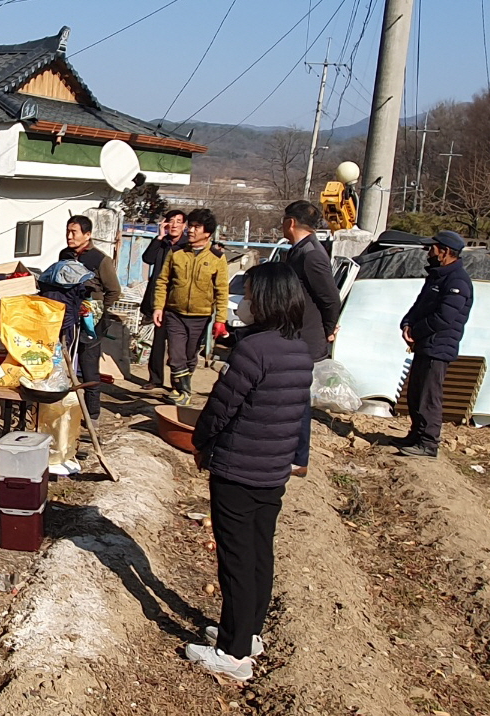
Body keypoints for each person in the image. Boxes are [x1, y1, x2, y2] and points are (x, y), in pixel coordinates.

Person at [185, 262, 314, 682]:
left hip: (238, 469)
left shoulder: (253, 350)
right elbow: (300, 415)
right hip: (272, 471)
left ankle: (234, 653)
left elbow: (221, 407)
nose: (247, 302)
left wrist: (201, 442)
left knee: (236, 560)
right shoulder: (298, 349)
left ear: (269, 300)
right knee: (260, 552)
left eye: (253, 294)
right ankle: (248, 631)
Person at [394, 230, 474, 457]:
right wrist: (407, 323)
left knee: (429, 396)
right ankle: (416, 434)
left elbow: (444, 317)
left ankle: (429, 443)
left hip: (438, 346)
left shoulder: (457, 281)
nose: (429, 252)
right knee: (416, 393)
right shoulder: (437, 277)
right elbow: (420, 305)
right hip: (425, 344)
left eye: (433, 248)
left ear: (445, 252)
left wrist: (417, 331)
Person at [282, 200, 341, 477]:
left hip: (307, 336)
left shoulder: (312, 255)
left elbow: (330, 298)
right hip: (295, 332)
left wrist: (329, 329)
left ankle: (298, 457)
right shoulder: (299, 251)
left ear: (291, 222)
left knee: (298, 397)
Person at [151, 208, 229, 407]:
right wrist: (158, 307)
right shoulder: (176, 253)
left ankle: (180, 390)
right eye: (191, 226)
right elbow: (162, 281)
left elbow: (222, 290)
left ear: (207, 233)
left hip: (201, 316)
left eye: (196, 227)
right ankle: (185, 391)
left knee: (190, 356)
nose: (191, 230)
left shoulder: (217, 257)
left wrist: (221, 319)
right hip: (175, 313)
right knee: (176, 356)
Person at [60, 215, 121, 426]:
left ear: (87, 235)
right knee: (63, 365)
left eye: (74, 232)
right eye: (68, 231)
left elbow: (114, 291)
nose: (69, 236)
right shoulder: (65, 255)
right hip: (67, 318)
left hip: (90, 323)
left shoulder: (100, 260)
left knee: (88, 367)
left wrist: (97, 310)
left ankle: (92, 414)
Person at [140, 209, 188, 390]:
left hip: (177, 300)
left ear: (184, 226)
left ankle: (178, 384)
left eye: (178, 221)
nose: (174, 225)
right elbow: (147, 259)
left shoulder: (186, 246)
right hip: (159, 300)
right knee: (158, 343)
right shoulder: (163, 244)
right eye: (171, 221)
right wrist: (159, 237)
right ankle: (155, 379)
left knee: (177, 345)